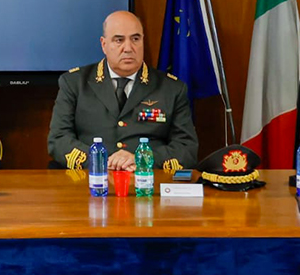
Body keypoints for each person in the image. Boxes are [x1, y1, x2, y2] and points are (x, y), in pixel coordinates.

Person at [47, 10, 199, 174]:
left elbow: (186, 147)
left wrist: (142, 159)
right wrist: (99, 161)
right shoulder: (74, 83)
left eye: (135, 39)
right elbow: (59, 139)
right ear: (104, 45)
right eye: (119, 40)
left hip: (148, 181)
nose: (128, 48)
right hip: (90, 180)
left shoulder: (171, 88)